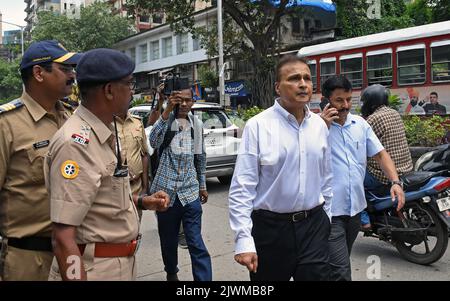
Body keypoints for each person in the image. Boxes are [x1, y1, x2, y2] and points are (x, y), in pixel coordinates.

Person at [45, 48, 170, 281]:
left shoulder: (103, 133)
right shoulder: (75, 144)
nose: (132, 92)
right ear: (110, 90)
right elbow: (62, 238)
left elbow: (98, 199)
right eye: (130, 84)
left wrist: (142, 201)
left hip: (116, 265)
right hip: (94, 270)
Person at [229, 55, 333, 281]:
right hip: (271, 231)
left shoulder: (319, 126)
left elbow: (326, 177)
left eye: (307, 78)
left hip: (314, 227)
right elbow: (242, 187)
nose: (303, 84)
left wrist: (327, 218)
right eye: (295, 78)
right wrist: (244, 240)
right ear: (278, 87)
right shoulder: (258, 126)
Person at [0, 40, 81, 281]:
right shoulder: (7, 124)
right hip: (27, 259)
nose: (72, 75)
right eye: (64, 69)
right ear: (38, 73)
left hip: (72, 253)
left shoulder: (71, 118)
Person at [320, 76, 405, 281]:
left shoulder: (360, 124)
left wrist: (395, 182)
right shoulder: (314, 127)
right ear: (326, 101)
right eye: (339, 100)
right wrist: (322, 127)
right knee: (341, 271)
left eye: (349, 100)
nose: (346, 106)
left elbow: (381, 154)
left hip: (355, 210)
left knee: (337, 263)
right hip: (329, 212)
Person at [149, 84, 211, 281]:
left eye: (188, 100)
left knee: (195, 241)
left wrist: (202, 185)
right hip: (165, 193)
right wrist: (167, 109)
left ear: (193, 102)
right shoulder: (166, 121)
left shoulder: (197, 125)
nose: (184, 104)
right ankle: (171, 272)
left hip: (189, 192)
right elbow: (153, 141)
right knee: (168, 240)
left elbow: (200, 157)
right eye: (180, 100)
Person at [360, 84, 413, 229]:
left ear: (370, 102)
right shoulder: (394, 113)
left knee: (354, 179)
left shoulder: (373, 119)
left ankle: (363, 219)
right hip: (406, 169)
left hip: (384, 176)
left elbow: (361, 146)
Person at [116, 108, 149, 221]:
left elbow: (144, 154)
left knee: (136, 227)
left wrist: (145, 187)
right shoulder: (106, 123)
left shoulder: (137, 122)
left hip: (136, 187)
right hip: (115, 189)